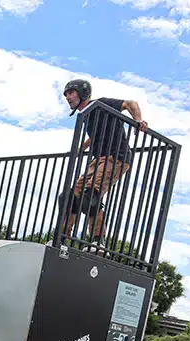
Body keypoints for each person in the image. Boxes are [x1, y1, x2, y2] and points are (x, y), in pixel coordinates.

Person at [58, 78, 149, 251]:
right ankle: (62, 239)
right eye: (66, 95)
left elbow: (130, 103)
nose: (68, 98)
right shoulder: (87, 115)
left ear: (82, 92)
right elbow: (96, 135)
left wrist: (138, 121)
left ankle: (98, 241)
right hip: (98, 159)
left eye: (71, 93)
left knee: (90, 196)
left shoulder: (100, 104)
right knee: (69, 196)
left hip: (117, 157)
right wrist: (81, 148)